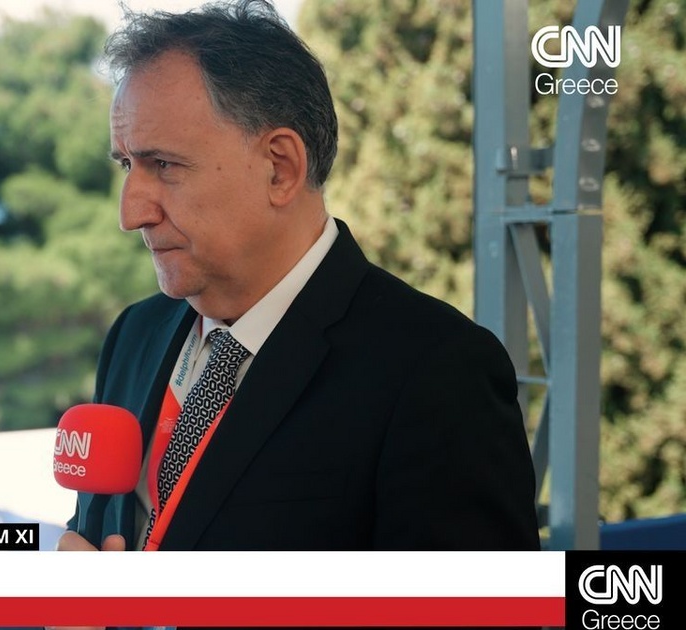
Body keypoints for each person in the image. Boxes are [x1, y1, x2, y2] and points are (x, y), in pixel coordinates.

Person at [57, 0, 539, 558]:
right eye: (126, 165)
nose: (131, 212)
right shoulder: (134, 336)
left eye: (163, 165)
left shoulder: (437, 372)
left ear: (280, 168)